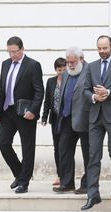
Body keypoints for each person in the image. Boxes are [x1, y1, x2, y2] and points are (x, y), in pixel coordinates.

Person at [82, 35, 111, 210]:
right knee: (93, 155)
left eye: (105, 48)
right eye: (99, 48)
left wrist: (108, 92)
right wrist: (94, 96)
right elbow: (85, 90)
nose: (102, 51)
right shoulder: (91, 67)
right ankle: (93, 194)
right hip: (95, 116)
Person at [0, 36, 44, 194]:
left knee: (27, 148)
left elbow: (39, 91)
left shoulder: (33, 65)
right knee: (2, 142)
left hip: (25, 113)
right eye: (10, 52)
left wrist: (33, 111)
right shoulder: (5, 64)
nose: (13, 55)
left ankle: (24, 183)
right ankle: (20, 173)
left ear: (22, 49)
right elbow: (1, 89)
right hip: (8, 111)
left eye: (15, 52)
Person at [52, 46, 90, 194]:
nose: (70, 64)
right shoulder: (67, 73)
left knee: (88, 154)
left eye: (73, 61)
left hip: (84, 119)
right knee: (64, 150)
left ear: (81, 59)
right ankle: (67, 183)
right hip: (67, 118)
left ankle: (87, 184)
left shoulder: (90, 71)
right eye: (68, 62)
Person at [42, 57, 66, 187]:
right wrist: (44, 117)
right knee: (57, 148)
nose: (61, 72)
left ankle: (67, 175)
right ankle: (60, 175)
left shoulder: (70, 80)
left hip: (67, 119)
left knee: (65, 148)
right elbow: (47, 101)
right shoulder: (50, 82)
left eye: (63, 69)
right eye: (59, 69)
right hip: (55, 119)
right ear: (55, 69)